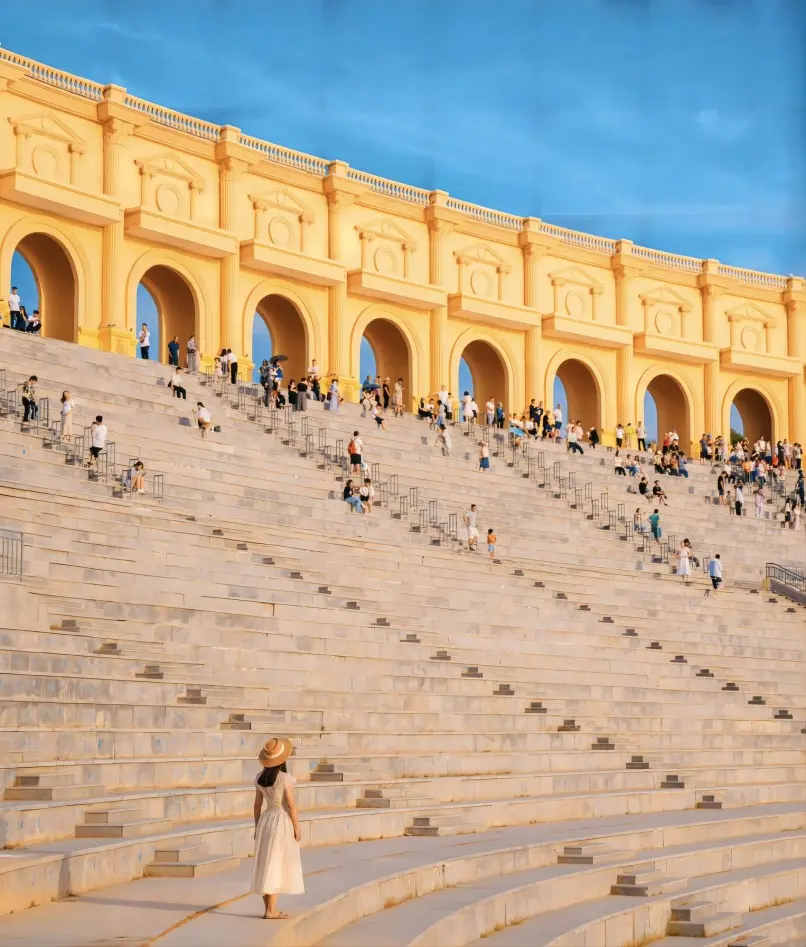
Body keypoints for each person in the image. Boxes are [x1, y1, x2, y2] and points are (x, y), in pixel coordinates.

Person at [252, 737, 303, 920]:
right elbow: (291, 805)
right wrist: (296, 826)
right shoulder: (285, 778)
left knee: (266, 861)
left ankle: (269, 909)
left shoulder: (259, 778)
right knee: (275, 863)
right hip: (281, 821)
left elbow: (257, 805)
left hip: (266, 820)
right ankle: (271, 910)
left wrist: (257, 826)